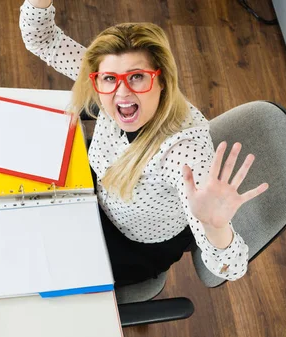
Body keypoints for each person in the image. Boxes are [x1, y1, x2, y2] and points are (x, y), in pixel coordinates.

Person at [20, 0, 269, 286]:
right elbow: (43, 39)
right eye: (109, 78)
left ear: (163, 80)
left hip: (132, 245)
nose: (122, 92)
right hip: (94, 196)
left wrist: (216, 227)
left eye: (137, 77)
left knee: (38, 275)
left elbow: (233, 268)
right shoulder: (108, 85)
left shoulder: (184, 152)